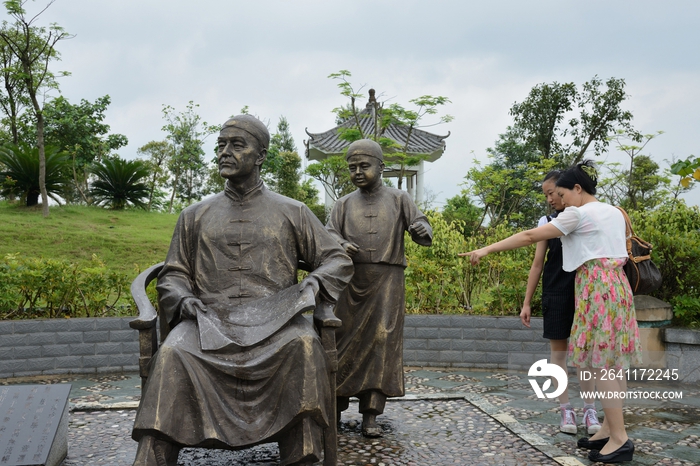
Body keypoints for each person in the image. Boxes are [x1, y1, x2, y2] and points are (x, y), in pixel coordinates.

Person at [131, 114, 354, 466]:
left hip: (278, 322)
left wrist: (312, 284)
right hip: (208, 321)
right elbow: (172, 275)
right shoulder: (194, 215)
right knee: (173, 353)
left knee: (305, 346)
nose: (225, 152)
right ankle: (153, 459)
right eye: (221, 145)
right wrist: (185, 301)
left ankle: (303, 458)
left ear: (260, 155)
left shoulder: (292, 211)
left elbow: (337, 260)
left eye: (237, 145)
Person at [460, 160, 641, 464]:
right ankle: (609, 429)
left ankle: (620, 439)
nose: (560, 201)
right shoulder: (614, 212)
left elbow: (531, 236)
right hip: (617, 287)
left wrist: (487, 249)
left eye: (561, 193)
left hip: (597, 288)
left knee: (603, 365)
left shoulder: (577, 214)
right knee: (613, 359)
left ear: (577, 189)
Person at [326, 139, 433, 438]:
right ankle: (334, 411)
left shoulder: (399, 199)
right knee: (340, 341)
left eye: (364, 166)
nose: (358, 172)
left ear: (381, 167)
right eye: (352, 168)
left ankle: (370, 415)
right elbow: (329, 234)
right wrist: (341, 244)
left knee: (382, 343)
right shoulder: (343, 204)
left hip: (388, 281)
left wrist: (422, 229)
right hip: (350, 282)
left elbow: (421, 224)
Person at [521, 171, 601, 435]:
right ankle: (565, 408)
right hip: (556, 292)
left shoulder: (587, 216)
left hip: (585, 293)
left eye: (552, 193)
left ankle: (590, 409)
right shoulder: (546, 222)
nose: (549, 199)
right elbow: (537, 264)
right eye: (545, 194)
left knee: (586, 355)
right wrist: (527, 302)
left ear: (566, 190)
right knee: (559, 354)